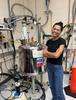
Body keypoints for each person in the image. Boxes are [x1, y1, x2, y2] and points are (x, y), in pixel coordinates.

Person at [43, 22, 66, 100]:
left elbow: (57, 55)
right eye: (54, 28)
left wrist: (48, 53)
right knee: (52, 86)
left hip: (57, 67)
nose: (55, 31)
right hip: (49, 66)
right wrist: (52, 54)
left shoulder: (62, 41)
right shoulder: (48, 41)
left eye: (58, 30)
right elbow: (44, 53)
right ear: (52, 29)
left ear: (60, 32)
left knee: (58, 89)